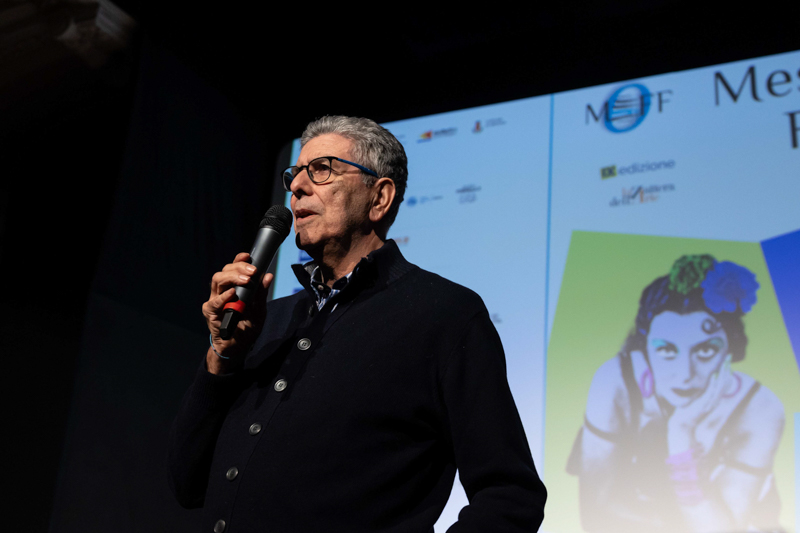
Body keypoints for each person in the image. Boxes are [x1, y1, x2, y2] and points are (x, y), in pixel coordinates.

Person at [168, 115, 546, 532]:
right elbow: (188, 484)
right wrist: (222, 357)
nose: (297, 187)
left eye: (321, 169)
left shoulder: (446, 314)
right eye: (295, 173)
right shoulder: (266, 321)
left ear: (379, 197)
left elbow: (511, 496)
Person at [567, 255, 784, 533]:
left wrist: (681, 434)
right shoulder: (616, 382)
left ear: (730, 350)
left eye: (705, 351)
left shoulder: (760, 409)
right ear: (645, 348)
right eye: (666, 350)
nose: (684, 374)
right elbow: (594, 518)